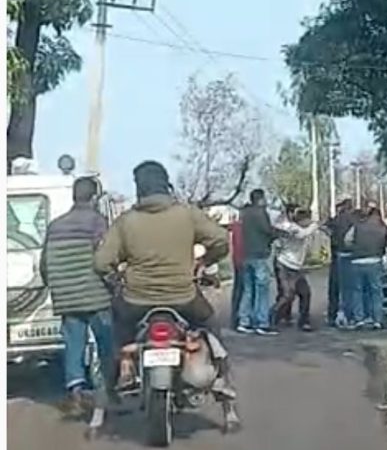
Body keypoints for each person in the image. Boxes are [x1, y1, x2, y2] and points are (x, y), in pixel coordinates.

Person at [94, 161, 240, 428]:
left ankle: (113, 384)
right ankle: (222, 385)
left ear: (139, 188)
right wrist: (205, 261)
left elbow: (101, 262)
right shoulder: (187, 214)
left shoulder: (125, 221)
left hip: (136, 300)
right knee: (210, 326)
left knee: (118, 338)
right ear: (166, 184)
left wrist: (117, 279)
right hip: (183, 297)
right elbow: (220, 240)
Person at [40, 176, 114, 416]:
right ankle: (109, 391)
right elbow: (105, 258)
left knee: (73, 345)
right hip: (96, 296)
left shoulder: (54, 225)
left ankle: (76, 393)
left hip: (66, 298)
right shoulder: (97, 222)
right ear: (94, 198)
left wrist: (56, 287)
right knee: (106, 343)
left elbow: (44, 265)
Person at [236, 189, 277, 336]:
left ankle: (244, 321)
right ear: (260, 199)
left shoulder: (245, 214)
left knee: (248, 290)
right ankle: (262, 323)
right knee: (262, 290)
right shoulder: (261, 213)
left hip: (246, 255)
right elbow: (267, 231)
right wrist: (278, 234)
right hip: (260, 254)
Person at [273, 207, 316, 331]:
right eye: (306, 220)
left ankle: (304, 321)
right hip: (285, 266)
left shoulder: (297, 228)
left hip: (296, 267)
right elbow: (302, 234)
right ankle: (273, 316)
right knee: (287, 295)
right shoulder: (293, 228)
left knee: (305, 293)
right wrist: (315, 225)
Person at [347, 201, 387, 329]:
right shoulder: (384, 228)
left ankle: (359, 319)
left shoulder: (357, 225)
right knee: (376, 291)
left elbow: (347, 240)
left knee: (357, 291)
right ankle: (377, 319)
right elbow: (385, 243)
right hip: (375, 260)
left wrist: (355, 247)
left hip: (357, 260)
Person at [325, 198, 356, 327]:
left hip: (337, 254)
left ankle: (332, 315)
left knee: (334, 287)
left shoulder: (336, 220)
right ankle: (349, 314)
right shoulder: (354, 220)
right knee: (350, 288)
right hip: (352, 255)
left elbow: (326, 227)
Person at [228, 215, 244, 329]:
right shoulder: (242, 226)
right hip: (243, 259)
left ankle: (235, 317)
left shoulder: (236, 225)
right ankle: (239, 317)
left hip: (238, 259)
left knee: (238, 290)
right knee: (243, 290)